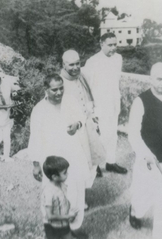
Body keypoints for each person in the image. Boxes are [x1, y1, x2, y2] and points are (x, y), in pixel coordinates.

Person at [28, 74, 89, 238]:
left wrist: (77, 124)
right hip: (52, 159)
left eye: (61, 88)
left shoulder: (71, 101)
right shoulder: (39, 109)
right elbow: (35, 137)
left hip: (73, 155)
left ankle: (74, 227)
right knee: (52, 195)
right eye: (54, 89)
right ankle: (54, 230)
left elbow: (82, 117)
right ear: (46, 89)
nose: (59, 92)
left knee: (75, 192)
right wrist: (35, 164)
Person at [128, 62, 162, 239]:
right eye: (159, 79)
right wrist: (146, 154)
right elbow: (133, 134)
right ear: (150, 79)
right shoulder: (140, 101)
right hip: (150, 158)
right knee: (143, 191)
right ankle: (135, 212)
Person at [84, 32, 127, 175]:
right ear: (101, 44)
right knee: (100, 135)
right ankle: (94, 166)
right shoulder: (93, 61)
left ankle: (111, 162)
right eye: (110, 45)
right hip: (99, 104)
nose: (113, 48)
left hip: (114, 102)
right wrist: (92, 108)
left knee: (112, 134)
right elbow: (86, 85)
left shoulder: (118, 59)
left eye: (115, 44)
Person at [60, 49, 102, 182]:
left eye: (77, 63)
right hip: (73, 128)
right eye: (71, 65)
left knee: (91, 154)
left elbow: (88, 97)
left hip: (87, 122)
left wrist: (93, 115)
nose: (75, 67)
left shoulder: (83, 76)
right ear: (64, 65)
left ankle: (85, 187)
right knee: (75, 163)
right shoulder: (59, 82)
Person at [41, 155, 79, 239]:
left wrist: (69, 212)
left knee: (67, 236)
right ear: (54, 177)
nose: (67, 174)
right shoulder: (49, 192)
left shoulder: (61, 185)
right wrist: (68, 216)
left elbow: (63, 201)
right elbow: (49, 216)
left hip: (63, 223)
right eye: (65, 172)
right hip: (53, 226)